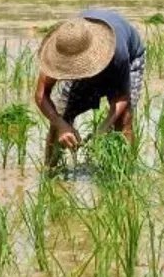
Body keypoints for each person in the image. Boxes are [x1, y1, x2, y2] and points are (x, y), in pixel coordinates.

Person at [34, 10, 146, 167]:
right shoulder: (59, 49)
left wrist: (104, 127)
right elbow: (41, 95)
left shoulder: (118, 54)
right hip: (81, 45)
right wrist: (61, 125)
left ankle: (126, 174)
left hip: (129, 57)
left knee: (124, 119)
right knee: (61, 115)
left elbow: (123, 97)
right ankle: (49, 173)